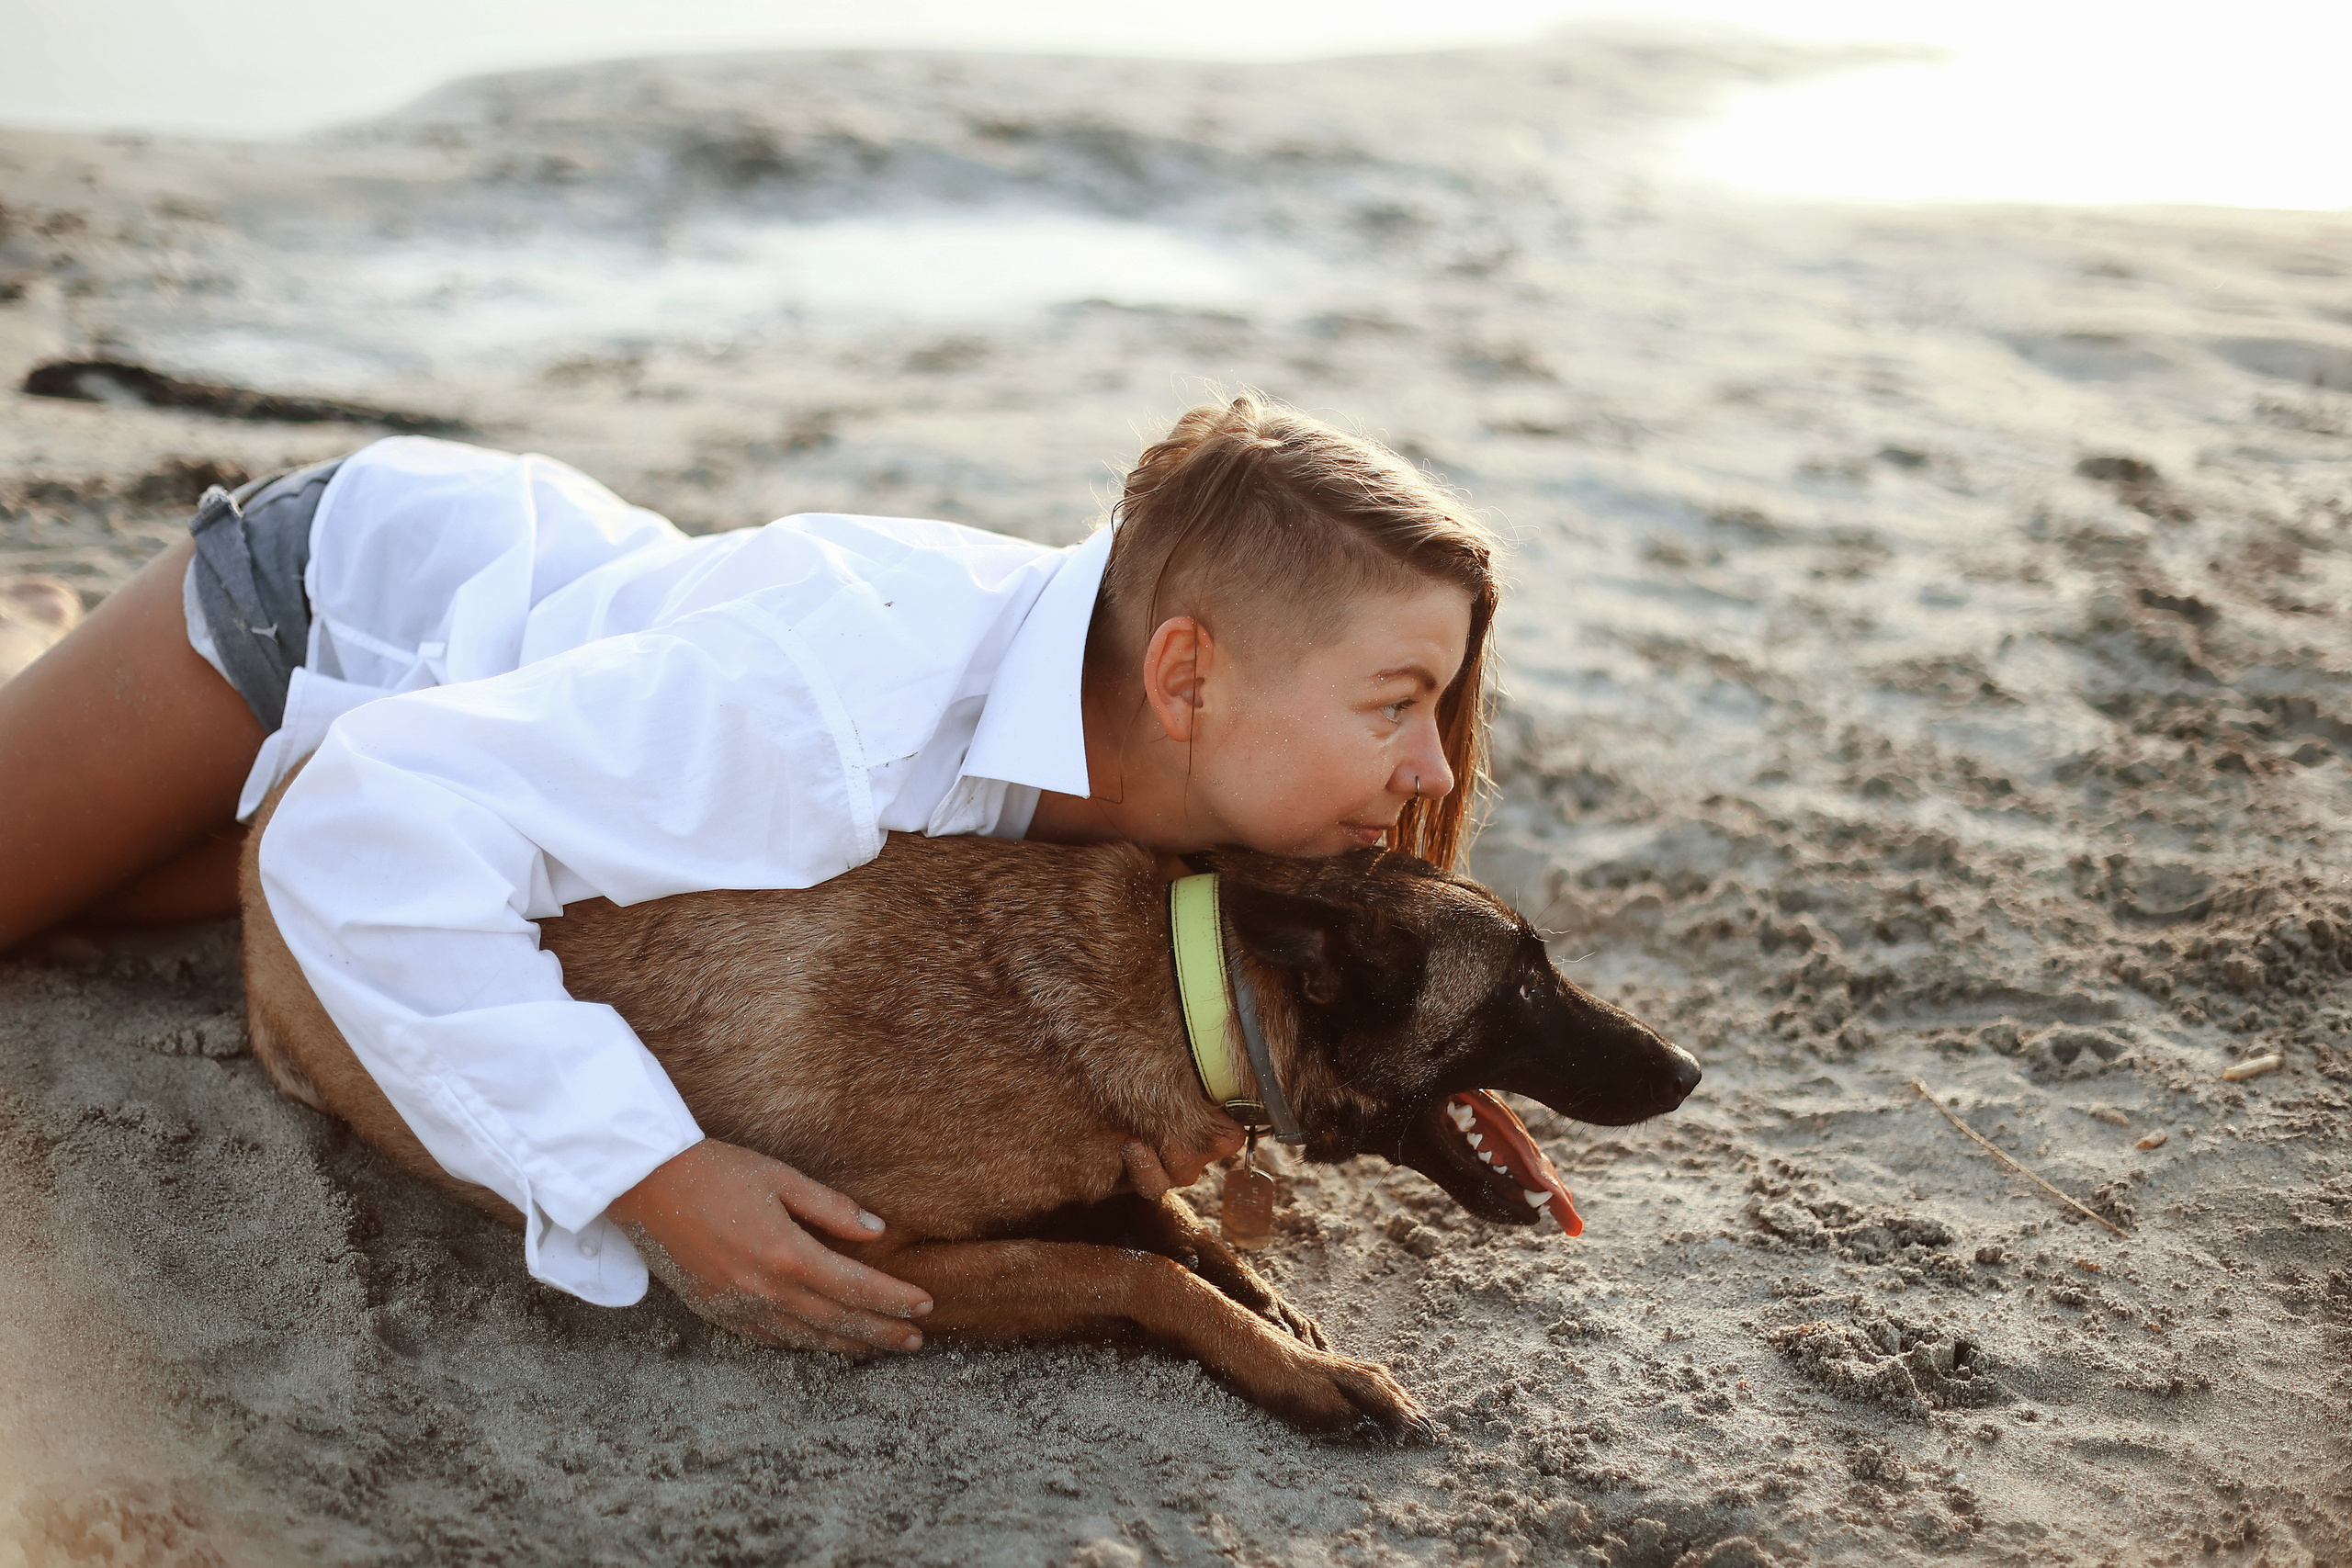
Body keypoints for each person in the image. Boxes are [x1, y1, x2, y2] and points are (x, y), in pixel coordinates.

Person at [0, 392, 1499, 1356]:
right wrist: (649, 1174)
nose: (1432, 767)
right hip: (339, 620)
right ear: (1188, 674)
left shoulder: (1166, 755)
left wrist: (1395, 1064)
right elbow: (362, 823)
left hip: (560, 720)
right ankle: (55, 659)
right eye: (1395, 703)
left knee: (140, 884)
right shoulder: (824, 712)